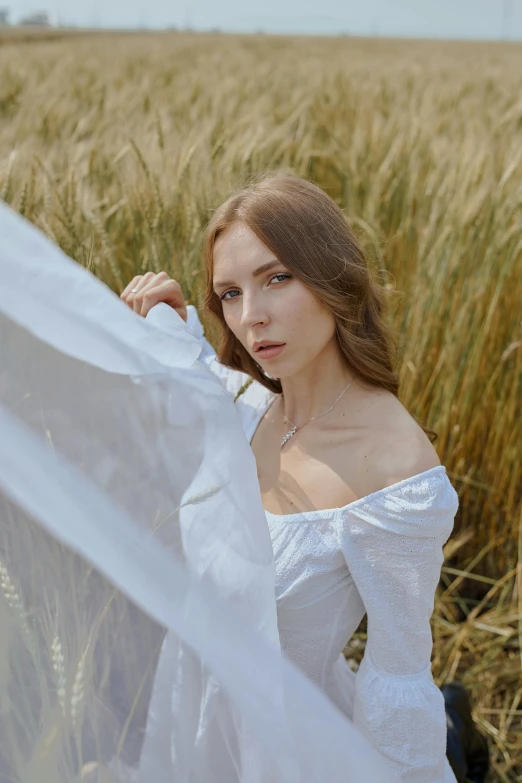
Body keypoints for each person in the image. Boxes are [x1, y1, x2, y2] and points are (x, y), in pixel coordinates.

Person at [120, 172, 489, 783]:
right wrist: (169, 314)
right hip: (189, 716)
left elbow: (395, 679)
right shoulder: (247, 408)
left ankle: (454, 730)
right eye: (230, 294)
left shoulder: (394, 473)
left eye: (277, 278)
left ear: (332, 276)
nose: (252, 317)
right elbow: (195, 378)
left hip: (286, 756)